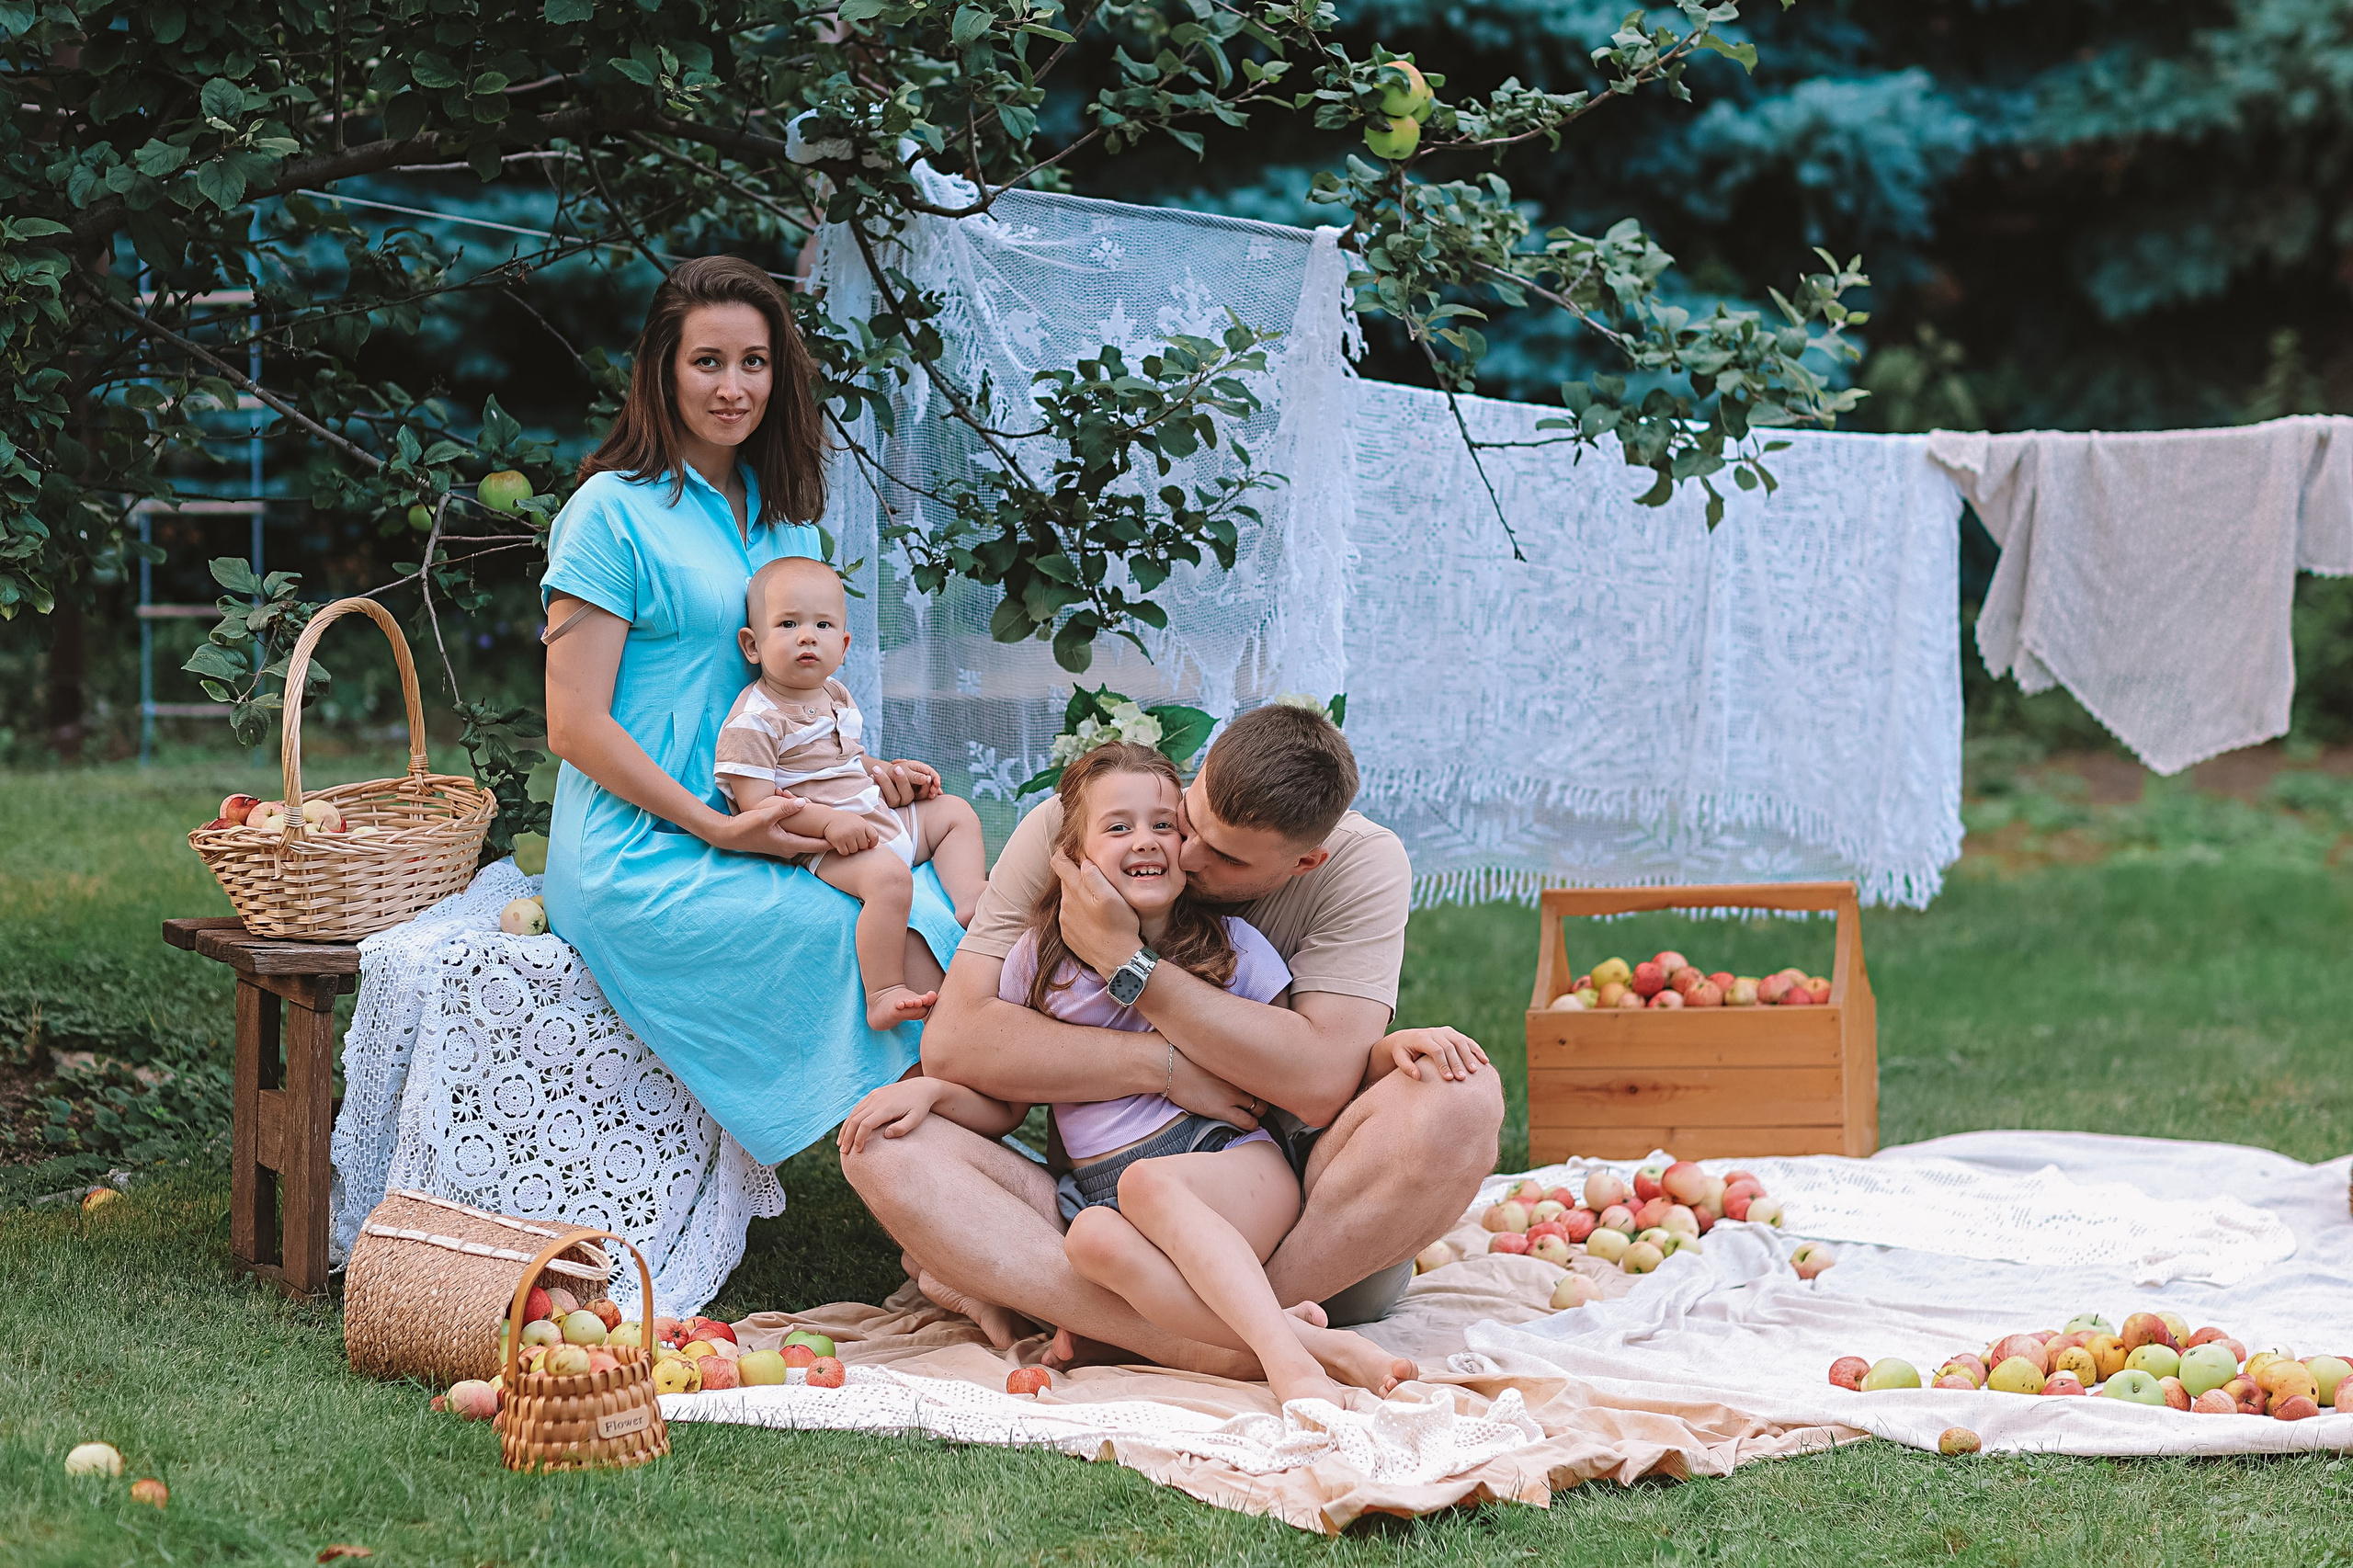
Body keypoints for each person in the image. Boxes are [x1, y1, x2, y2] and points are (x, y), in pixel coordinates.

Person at [841, 702, 1504, 1378]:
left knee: (1461, 1099)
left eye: (1226, 857)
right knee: (885, 1146)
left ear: (1305, 861)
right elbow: (958, 1042)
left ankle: (1159, 1330)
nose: (1183, 852)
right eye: (1190, 818)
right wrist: (1162, 1067)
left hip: (1296, 1228)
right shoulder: (1077, 827)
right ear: (1201, 769)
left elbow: (1320, 1083)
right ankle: (1241, 1342)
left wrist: (1127, 964)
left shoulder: (1356, 868)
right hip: (1101, 1212)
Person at [539, 254, 965, 1167]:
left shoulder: (788, 523)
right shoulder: (608, 513)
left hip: (779, 819)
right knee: (875, 937)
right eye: (707, 362)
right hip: (644, 847)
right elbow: (572, 724)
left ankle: (967, 1187)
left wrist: (861, 773)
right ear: (663, 371)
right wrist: (713, 826)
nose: (732, 388)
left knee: (939, 913)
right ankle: (932, 1189)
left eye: (754, 362)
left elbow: (791, 699)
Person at [717, 556, 987, 1028]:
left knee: (955, 812)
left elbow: (849, 759)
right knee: (889, 880)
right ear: (752, 645)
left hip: (873, 815)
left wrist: (888, 769)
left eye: (822, 625)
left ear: (842, 645)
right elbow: (756, 807)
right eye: (788, 624)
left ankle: (970, 897)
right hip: (824, 842)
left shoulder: (835, 695)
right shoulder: (755, 721)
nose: (807, 636)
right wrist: (827, 823)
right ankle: (884, 990)